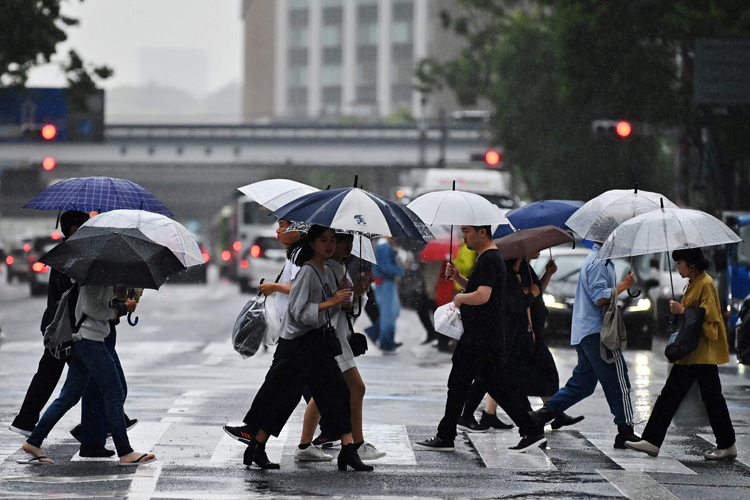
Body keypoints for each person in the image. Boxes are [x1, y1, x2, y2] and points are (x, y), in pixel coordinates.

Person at [223, 225, 374, 471]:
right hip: (296, 346)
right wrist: (331, 302)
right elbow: (300, 313)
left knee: (337, 393)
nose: (330, 245)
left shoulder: (326, 271)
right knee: (281, 397)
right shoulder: (307, 272)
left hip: (317, 344)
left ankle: (348, 450)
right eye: (324, 240)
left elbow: (336, 309)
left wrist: (351, 294)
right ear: (312, 244)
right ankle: (256, 446)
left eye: (333, 240)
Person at [414, 226, 546, 453]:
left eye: (467, 231)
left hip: (480, 338)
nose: (464, 235)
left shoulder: (489, 259)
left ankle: (447, 435)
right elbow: (485, 290)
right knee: (473, 384)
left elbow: (482, 296)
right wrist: (458, 278)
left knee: (463, 384)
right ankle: (448, 434)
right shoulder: (491, 257)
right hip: (486, 336)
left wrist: (458, 300)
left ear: (482, 232)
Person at [19, 285, 155, 465]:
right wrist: (120, 310)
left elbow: (96, 302)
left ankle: (33, 442)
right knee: (114, 393)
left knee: (69, 396)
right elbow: (92, 309)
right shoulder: (97, 277)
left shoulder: (100, 276)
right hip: (91, 342)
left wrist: (123, 296)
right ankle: (125, 451)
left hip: (85, 340)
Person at [626, 248, 737, 460]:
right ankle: (726, 444)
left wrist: (682, 310)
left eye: (680, 263)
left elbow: (710, 314)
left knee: (675, 395)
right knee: (707, 398)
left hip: (699, 352)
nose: (677, 268)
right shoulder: (694, 283)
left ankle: (652, 440)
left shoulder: (706, 283)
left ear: (691, 264)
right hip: (693, 351)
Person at [529, 242, 639, 449]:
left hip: (587, 332)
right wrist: (624, 285)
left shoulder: (601, 260)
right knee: (618, 380)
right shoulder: (599, 262)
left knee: (582, 385)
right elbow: (600, 298)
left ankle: (540, 416)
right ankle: (625, 430)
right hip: (598, 333)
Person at [294, 233, 385, 463]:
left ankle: (305, 445)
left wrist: (360, 289)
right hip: (333, 338)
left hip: (337, 335)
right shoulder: (327, 269)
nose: (343, 247)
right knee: (356, 388)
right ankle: (357, 442)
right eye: (340, 242)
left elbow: (346, 306)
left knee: (322, 392)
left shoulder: (338, 268)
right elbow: (336, 303)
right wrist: (356, 291)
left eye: (341, 242)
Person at [10, 211, 91, 438]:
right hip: (65, 326)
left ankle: (26, 421)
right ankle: (96, 426)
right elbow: (71, 295)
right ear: (71, 228)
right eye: (81, 225)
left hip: (60, 325)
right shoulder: (70, 256)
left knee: (52, 375)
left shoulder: (69, 253)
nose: (85, 229)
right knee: (93, 375)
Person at [369, 237, 404, 353]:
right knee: (389, 313)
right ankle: (386, 341)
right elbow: (386, 267)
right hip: (385, 282)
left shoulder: (384, 246)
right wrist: (400, 268)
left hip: (384, 282)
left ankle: (376, 334)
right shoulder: (384, 247)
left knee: (392, 311)